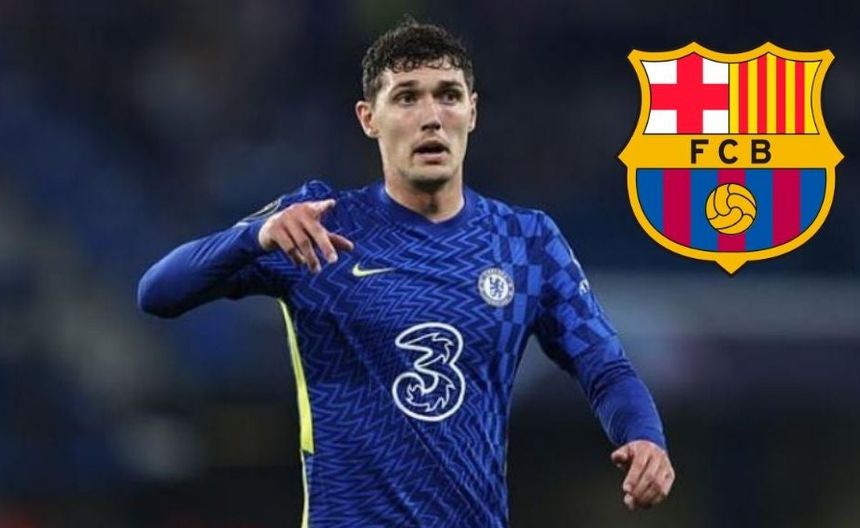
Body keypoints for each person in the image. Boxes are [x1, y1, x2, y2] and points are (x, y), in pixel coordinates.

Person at [138, 18, 674, 527]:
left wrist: (645, 436)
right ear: (368, 118)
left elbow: (605, 368)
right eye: (406, 97)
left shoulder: (525, 241)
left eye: (448, 95)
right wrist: (253, 235)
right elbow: (158, 292)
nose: (431, 116)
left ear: (473, 112)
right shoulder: (316, 224)